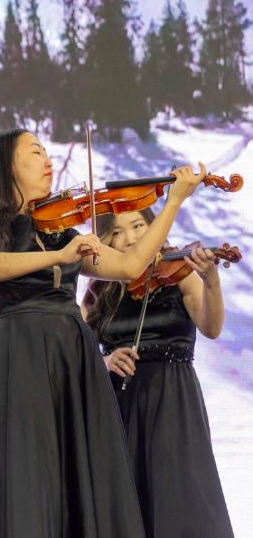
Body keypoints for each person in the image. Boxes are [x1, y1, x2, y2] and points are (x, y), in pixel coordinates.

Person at [0, 128, 206, 537]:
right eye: (35, 152)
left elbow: (129, 266)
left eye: (46, 152)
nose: (48, 161)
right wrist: (58, 256)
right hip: (20, 357)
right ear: (6, 166)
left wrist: (174, 201)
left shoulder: (63, 231)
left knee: (80, 470)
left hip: (73, 357)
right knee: (29, 465)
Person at [81, 209, 234, 538]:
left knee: (181, 498)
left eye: (138, 225)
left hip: (173, 402)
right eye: (117, 232)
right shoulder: (99, 289)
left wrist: (211, 280)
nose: (131, 238)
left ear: (155, 227)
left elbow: (211, 327)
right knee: (126, 502)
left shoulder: (179, 275)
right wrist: (103, 361)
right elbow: (75, 348)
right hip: (118, 405)